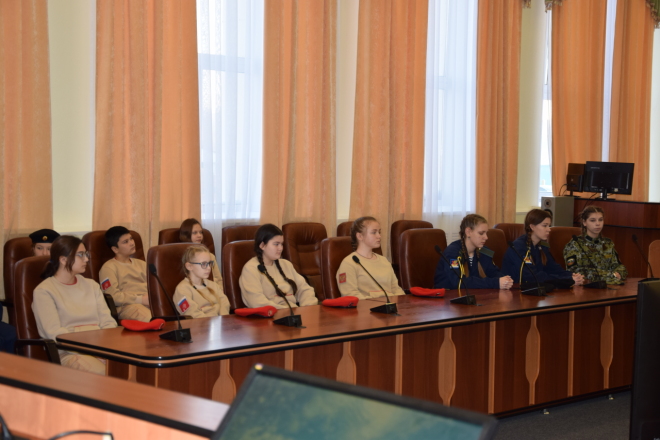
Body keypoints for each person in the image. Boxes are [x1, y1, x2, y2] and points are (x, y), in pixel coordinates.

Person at [32, 235, 117, 374]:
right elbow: (55, 334)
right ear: (63, 259)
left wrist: (105, 350)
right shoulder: (44, 291)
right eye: (81, 255)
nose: (87, 259)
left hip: (101, 349)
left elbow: (108, 323)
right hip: (69, 353)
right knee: (108, 375)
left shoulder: (91, 285)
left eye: (86, 254)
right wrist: (93, 352)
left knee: (134, 370)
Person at [239, 224, 318, 309]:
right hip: (271, 315)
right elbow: (256, 302)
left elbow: (305, 289)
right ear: (262, 245)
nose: (280, 248)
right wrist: (287, 311)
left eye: (281, 244)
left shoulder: (286, 264)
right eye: (276, 244)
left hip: (294, 312)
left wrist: (307, 308)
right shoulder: (251, 269)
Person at [502, 209, 585, 286]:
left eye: (549, 226)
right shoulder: (519, 247)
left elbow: (553, 268)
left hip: (538, 288)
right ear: (532, 227)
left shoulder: (542, 246)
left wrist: (572, 275)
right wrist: (567, 279)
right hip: (516, 290)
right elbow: (532, 277)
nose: (549, 229)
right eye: (545, 226)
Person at [434, 214, 513, 290]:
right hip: (449, 296)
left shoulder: (485, 251)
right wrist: (495, 283)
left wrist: (505, 280)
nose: (486, 237)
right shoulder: (452, 252)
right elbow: (459, 282)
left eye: (486, 233)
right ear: (468, 232)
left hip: (475, 295)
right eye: (481, 233)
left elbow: (493, 272)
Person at [336, 216, 406, 300]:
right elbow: (350, 295)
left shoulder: (384, 260)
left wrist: (399, 301)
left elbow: (396, 289)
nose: (379, 236)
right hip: (366, 307)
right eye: (374, 232)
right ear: (360, 236)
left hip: (391, 305)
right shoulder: (348, 263)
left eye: (379, 232)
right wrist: (380, 302)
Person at [99, 226, 152, 322]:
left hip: (150, 302)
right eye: (125, 242)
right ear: (115, 249)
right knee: (151, 319)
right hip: (128, 306)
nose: (132, 243)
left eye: (131, 239)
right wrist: (141, 299)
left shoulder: (142, 264)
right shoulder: (108, 268)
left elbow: (155, 287)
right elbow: (113, 296)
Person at [563, 206, 627, 285]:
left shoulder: (607, 243)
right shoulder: (575, 244)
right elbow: (575, 271)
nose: (598, 224)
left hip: (611, 286)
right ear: (584, 222)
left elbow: (619, 266)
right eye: (592, 220)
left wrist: (619, 274)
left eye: (600, 220)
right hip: (588, 287)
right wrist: (611, 275)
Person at [173, 244, 230, 317]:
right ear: (189, 266)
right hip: (201, 323)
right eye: (203, 264)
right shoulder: (182, 289)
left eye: (209, 263)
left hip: (220, 321)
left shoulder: (213, 285)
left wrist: (222, 320)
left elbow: (224, 303)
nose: (209, 268)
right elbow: (192, 313)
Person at [179, 218, 222, 284]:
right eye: (195, 233)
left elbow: (219, 280)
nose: (199, 235)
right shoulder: (183, 257)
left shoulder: (210, 256)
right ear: (186, 236)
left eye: (201, 232)